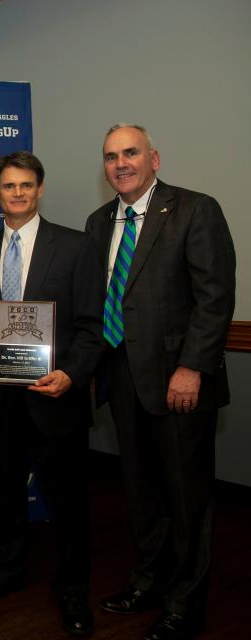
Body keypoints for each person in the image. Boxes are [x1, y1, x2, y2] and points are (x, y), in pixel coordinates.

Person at [86, 124, 235, 640]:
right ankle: (148, 582)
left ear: (154, 158)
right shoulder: (100, 220)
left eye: (130, 153)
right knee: (142, 493)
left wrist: (193, 366)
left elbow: (214, 296)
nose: (120, 163)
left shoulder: (195, 209)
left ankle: (185, 606)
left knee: (186, 498)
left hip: (178, 380)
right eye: (110, 156)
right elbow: (96, 300)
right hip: (121, 377)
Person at [0, 152, 105, 637]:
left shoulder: (76, 246)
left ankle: (72, 590)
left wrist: (72, 374)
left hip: (55, 396)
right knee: (7, 495)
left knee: (68, 502)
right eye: (8, 185)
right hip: (2, 400)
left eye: (26, 185)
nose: (18, 193)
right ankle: (7, 571)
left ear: (39, 189)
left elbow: (91, 326)